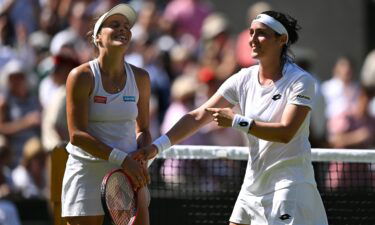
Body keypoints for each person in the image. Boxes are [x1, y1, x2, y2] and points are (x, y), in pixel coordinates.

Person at [133, 10, 328, 225]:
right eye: (251, 33)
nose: (252, 39)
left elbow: (286, 132)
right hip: (253, 184)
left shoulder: (301, 81)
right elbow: (199, 115)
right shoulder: (244, 78)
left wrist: (237, 121)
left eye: (261, 34)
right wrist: (155, 148)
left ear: (282, 39)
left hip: (289, 185)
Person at [62, 4, 151, 225]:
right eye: (114, 25)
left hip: (127, 175)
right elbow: (77, 135)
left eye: (126, 26)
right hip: (87, 172)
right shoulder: (81, 76)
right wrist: (123, 159)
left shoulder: (141, 78)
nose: (123, 29)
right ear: (98, 37)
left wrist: (142, 157)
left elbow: (144, 129)